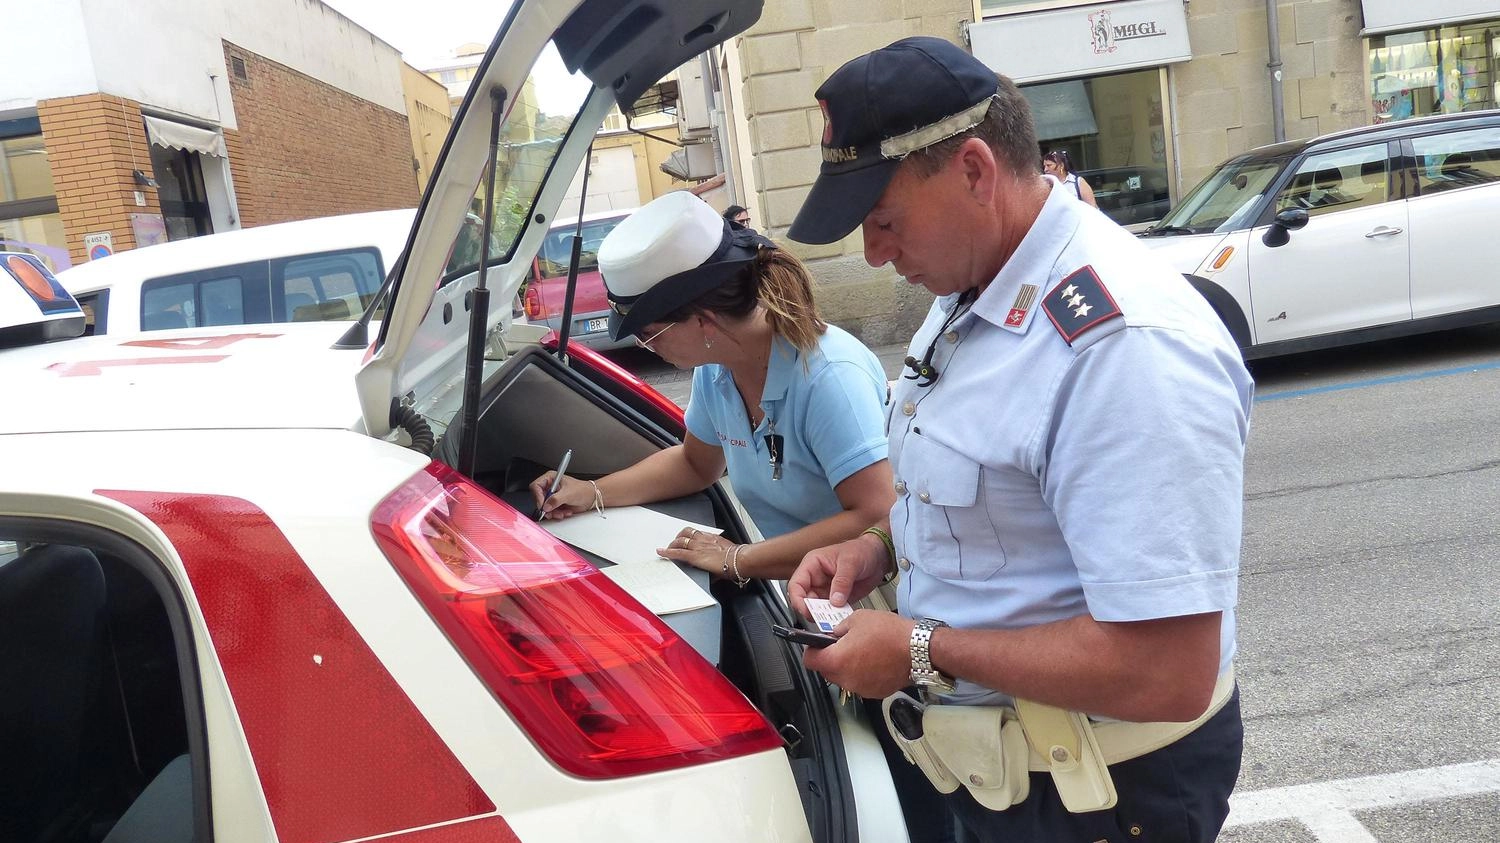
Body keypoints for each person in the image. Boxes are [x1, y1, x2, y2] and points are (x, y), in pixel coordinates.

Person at [784, 36, 1254, 843]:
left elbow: (1167, 668)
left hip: (1102, 793)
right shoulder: (978, 278)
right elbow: (992, 497)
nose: (874, 252)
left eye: (884, 219)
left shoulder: (1119, 345)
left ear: (974, 169)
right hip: (1013, 768)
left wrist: (921, 651)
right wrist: (880, 549)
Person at [530, 190, 894, 582]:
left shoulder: (830, 376)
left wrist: (737, 559)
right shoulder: (716, 368)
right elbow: (695, 464)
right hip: (803, 584)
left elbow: (876, 515)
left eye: (651, 334)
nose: (643, 346)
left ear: (704, 321)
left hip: (871, 595)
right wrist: (591, 492)